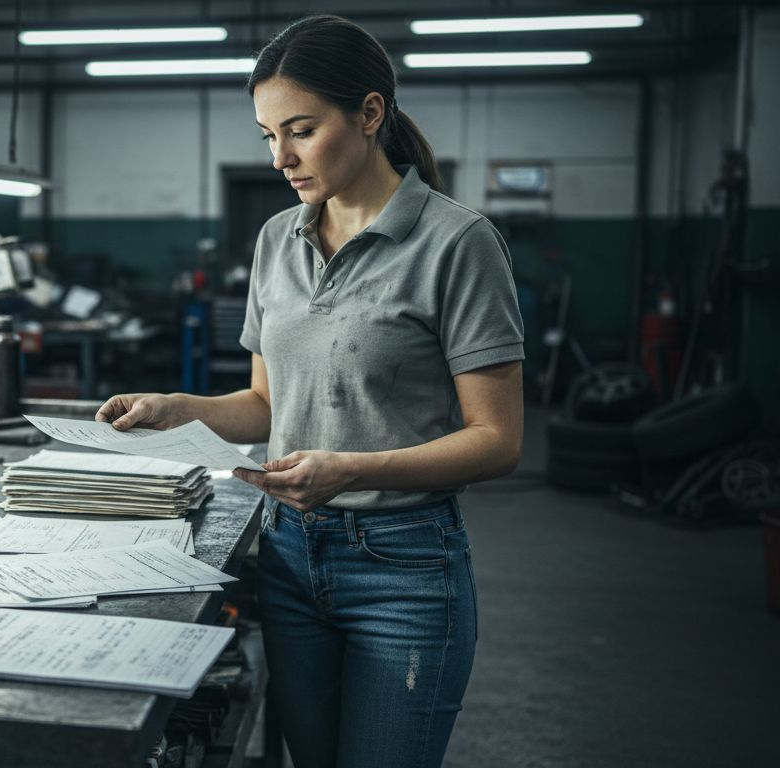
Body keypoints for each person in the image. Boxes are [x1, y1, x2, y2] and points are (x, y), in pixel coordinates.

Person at [95, 14, 524, 768]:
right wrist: (178, 408)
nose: (280, 157)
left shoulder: (458, 243)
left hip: (404, 567)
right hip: (291, 554)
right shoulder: (277, 240)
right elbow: (267, 406)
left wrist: (351, 469)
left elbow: (497, 441)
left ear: (369, 113)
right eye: (268, 135)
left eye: (300, 130)